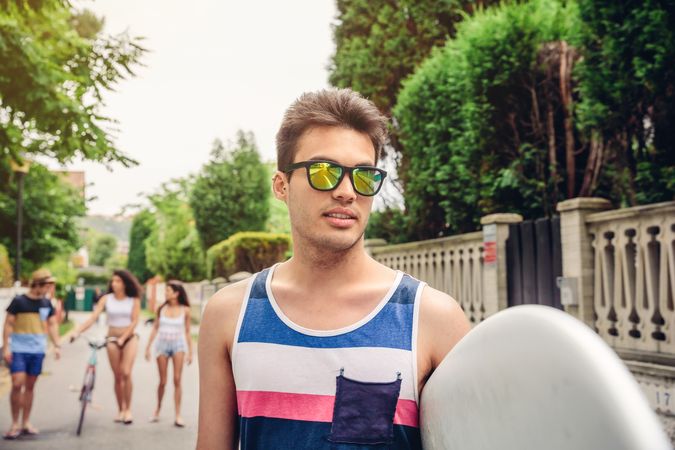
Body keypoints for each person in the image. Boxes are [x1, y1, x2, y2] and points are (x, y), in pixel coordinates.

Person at [197, 88, 471, 449]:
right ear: (282, 186)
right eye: (324, 172)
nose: (346, 191)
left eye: (363, 175)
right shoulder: (229, 314)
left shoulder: (433, 318)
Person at [71, 269, 142, 424]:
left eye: (118, 281)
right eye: (113, 281)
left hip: (129, 339)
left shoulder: (133, 299)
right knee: (117, 376)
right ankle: (120, 409)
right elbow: (92, 318)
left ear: (125, 283)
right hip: (111, 339)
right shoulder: (106, 299)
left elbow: (134, 321)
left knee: (126, 372)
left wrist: (123, 338)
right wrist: (77, 332)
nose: (114, 283)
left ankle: (128, 409)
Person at [2, 269, 61, 440]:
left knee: (30, 386)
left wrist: (57, 345)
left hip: (37, 350)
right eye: (47, 285)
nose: (49, 289)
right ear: (38, 284)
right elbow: (8, 325)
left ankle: (25, 422)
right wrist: (6, 347)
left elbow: (52, 325)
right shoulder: (19, 301)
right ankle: (14, 423)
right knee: (17, 383)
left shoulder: (46, 303)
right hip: (19, 349)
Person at [145, 280, 193, 427]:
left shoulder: (185, 310)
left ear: (176, 293)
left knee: (177, 380)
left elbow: (187, 331)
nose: (165, 293)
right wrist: (147, 347)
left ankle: (178, 415)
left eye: (168, 291)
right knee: (163, 381)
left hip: (178, 345)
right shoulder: (161, 308)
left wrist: (190, 352)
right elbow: (155, 328)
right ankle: (157, 410)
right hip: (162, 345)